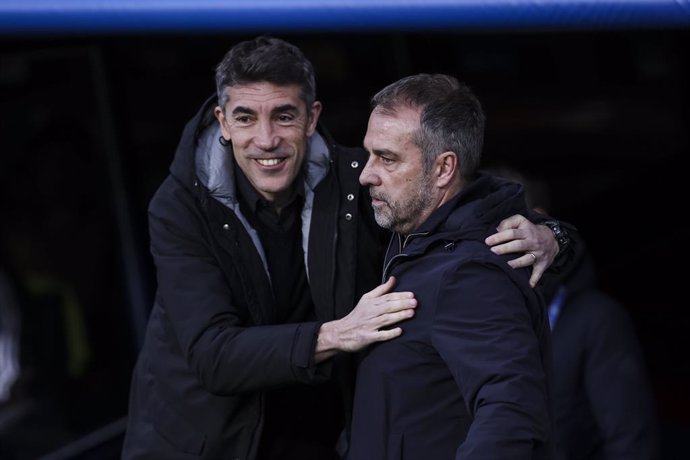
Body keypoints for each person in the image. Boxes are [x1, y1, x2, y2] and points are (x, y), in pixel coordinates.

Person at [122, 37, 566, 460]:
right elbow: (213, 356)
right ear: (222, 121)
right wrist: (338, 333)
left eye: (284, 115)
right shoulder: (181, 205)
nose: (266, 139)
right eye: (244, 118)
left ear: (312, 118)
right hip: (202, 443)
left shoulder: (356, 183)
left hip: (313, 435)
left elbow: (453, 196)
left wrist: (552, 235)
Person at [348, 73, 554, 459]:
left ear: (443, 169)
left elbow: (510, 410)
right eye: (369, 153)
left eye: (387, 158)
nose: (365, 174)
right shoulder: (411, 235)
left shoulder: (470, 275)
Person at [491, 166, 660, 460]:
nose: (486, 239)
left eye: (497, 223)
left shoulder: (595, 318)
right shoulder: (472, 314)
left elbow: (631, 443)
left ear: (539, 222)